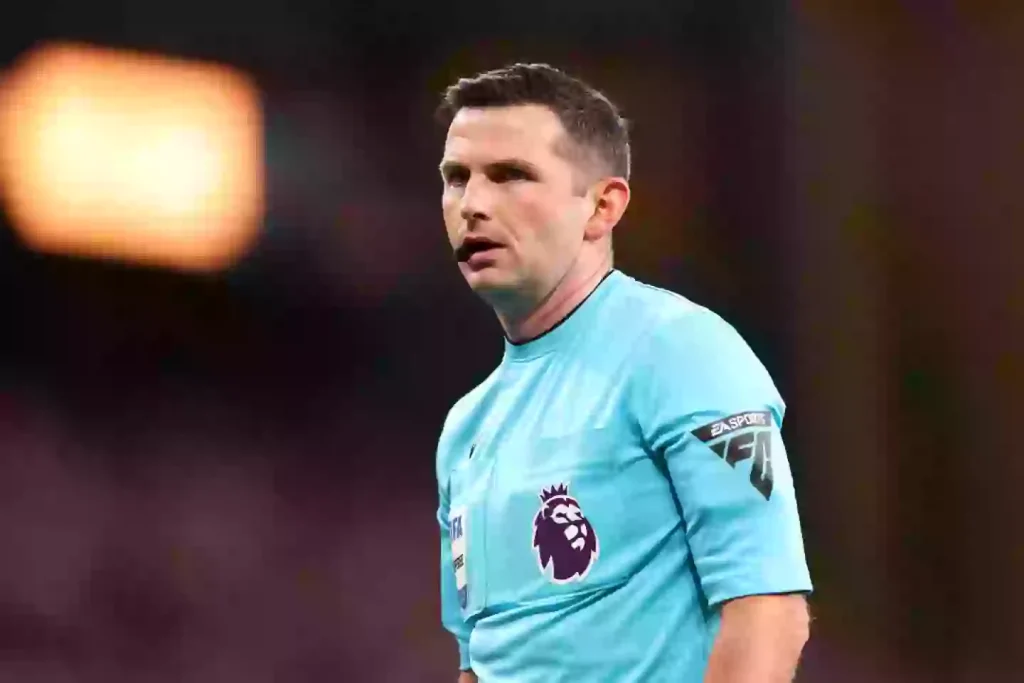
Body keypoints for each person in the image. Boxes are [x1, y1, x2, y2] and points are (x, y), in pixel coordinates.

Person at [434, 63, 812, 683]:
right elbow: (481, 661)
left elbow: (768, 611)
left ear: (602, 207)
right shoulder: (465, 430)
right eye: (457, 179)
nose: (472, 205)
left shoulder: (681, 352)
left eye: (511, 175)